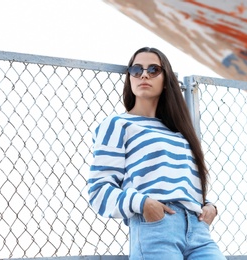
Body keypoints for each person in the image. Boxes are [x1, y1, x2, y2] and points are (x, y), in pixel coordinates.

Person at [88, 47, 226, 260]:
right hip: (156, 227)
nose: (144, 75)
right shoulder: (118, 124)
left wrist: (208, 206)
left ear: (166, 79)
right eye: (136, 69)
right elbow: (99, 191)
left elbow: (181, 183)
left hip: (198, 231)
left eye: (153, 70)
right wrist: (144, 205)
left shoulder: (179, 133)